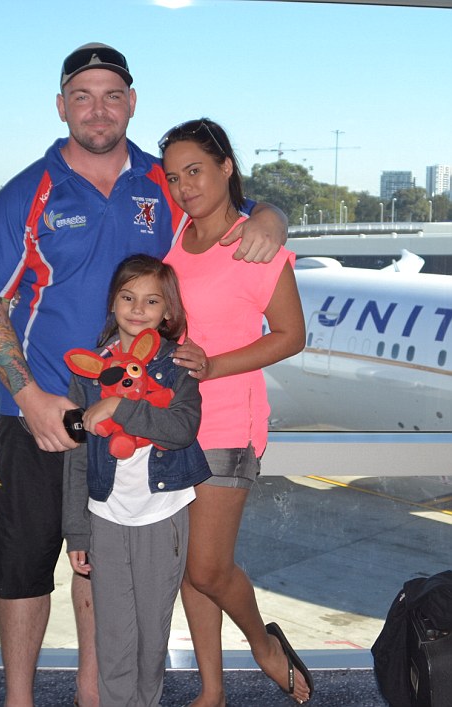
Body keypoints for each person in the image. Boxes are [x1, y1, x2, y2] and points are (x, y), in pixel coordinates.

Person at [0, 42, 288, 707]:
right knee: (22, 569)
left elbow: (230, 209)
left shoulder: (161, 183)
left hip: (131, 419)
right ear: (61, 107)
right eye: (82, 97)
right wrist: (28, 395)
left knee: (103, 565)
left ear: (132, 103)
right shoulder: (28, 191)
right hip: (39, 411)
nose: (98, 109)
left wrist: (272, 216)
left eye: (112, 95)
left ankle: (96, 693)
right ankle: (19, 700)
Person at [160, 118, 312, 706]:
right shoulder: (177, 235)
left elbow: (291, 335)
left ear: (226, 167)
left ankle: (263, 645)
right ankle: (212, 691)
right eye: (175, 177)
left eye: (196, 171)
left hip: (227, 422)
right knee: (189, 569)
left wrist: (213, 365)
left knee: (207, 567)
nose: (185, 187)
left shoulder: (256, 245)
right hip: (174, 423)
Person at [62, 254, 211, 706]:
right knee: (113, 638)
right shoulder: (90, 370)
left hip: (161, 517)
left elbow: (182, 429)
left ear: (168, 311)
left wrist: (121, 408)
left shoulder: (179, 365)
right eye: (128, 297)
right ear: (113, 302)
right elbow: (78, 458)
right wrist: (76, 531)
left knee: (151, 639)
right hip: (105, 517)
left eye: (151, 300)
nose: (138, 309)